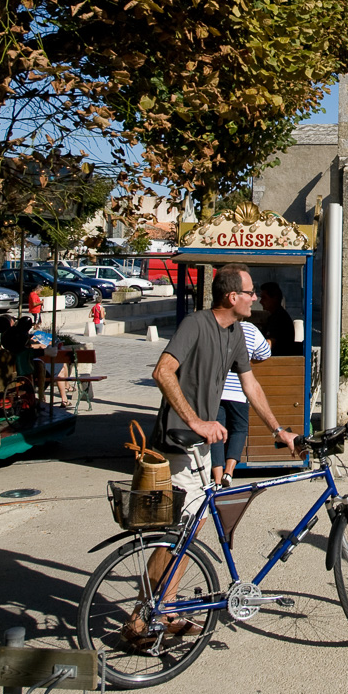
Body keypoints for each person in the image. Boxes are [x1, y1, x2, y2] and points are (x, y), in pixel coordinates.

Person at [130, 265, 298, 642]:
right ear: (230, 296)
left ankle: (165, 607)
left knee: (191, 527)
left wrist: (277, 429)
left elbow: (250, 384)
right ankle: (144, 616)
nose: (255, 298)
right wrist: (196, 422)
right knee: (180, 530)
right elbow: (163, 371)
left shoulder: (236, 332)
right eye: (249, 292)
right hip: (178, 442)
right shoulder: (196, 324)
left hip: (201, 447)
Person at [211, 317, 272, 486]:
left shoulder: (216, 327)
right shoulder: (250, 329)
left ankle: (216, 478)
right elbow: (265, 352)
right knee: (239, 429)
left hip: (217, 390)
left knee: (216, 431)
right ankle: (229, 472)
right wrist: (269, 342)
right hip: (238, 390)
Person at [258, 281, 298, 355]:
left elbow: (270, 343)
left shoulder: (280, 319)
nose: (260, 301)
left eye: (264, 298)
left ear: (274, 298)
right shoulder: (273, 317)